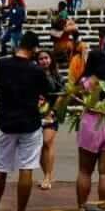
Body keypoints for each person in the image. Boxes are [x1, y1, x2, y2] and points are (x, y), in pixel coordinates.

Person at [0, 31, 52, 211]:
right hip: (30, 122)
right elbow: (46, 92)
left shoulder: (2, 64)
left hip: (6, 121)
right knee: (27, 167)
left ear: (20, 44)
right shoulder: (36, 70)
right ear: (34, 48)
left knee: (1, 167)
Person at [72, 48, 105, 207]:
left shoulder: (86, 81)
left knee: (85, 171)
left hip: (91, 125)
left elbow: (74, 99)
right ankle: (103, 208)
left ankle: (82, 208)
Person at [36, 50, 65, 191]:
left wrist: (54, 111)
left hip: (52, 113)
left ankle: (48, 176)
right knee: (39, 146)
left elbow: (63, 95)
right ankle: (46, 175)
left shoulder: (57, 76)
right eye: (41, 58)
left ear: (51, 59)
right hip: (35, 114)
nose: (44, 61)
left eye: (46, 58)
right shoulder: (33, 75)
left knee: (48, 142)